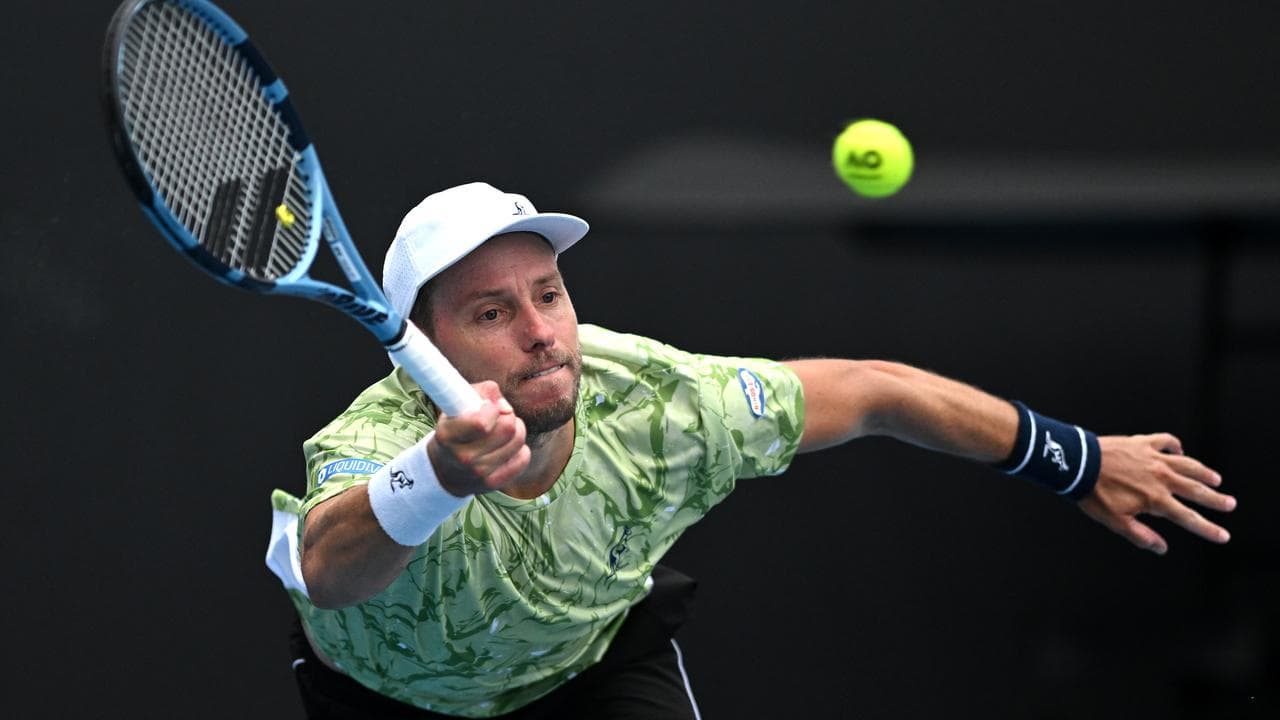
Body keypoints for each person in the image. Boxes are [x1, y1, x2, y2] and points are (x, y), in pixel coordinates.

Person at [265, 181, 1236, 719]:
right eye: (491, 312)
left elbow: (873, 391)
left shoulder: (659, 406)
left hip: (587, 677)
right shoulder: (377, 441)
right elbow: (330, 572)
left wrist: (1073, 458)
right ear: (424, 348)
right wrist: (437, 476)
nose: (541, 333)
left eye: (549, 294)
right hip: (389, 704)